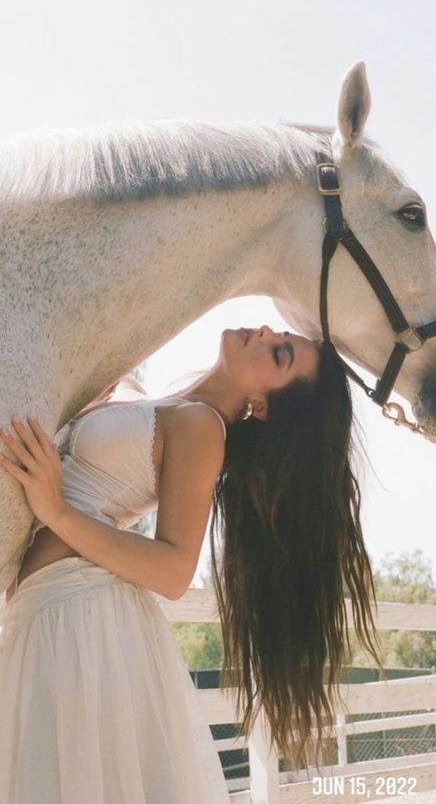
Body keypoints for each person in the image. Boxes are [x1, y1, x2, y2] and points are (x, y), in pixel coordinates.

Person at [0, 325, 383, 801]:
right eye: (279, 332)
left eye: (279, 353)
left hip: (81, 620)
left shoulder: (203, 429)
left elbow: (175, 571)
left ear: (263, 407)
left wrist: (54, 509)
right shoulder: (156, 399)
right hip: (48, 615)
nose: (263, 332)